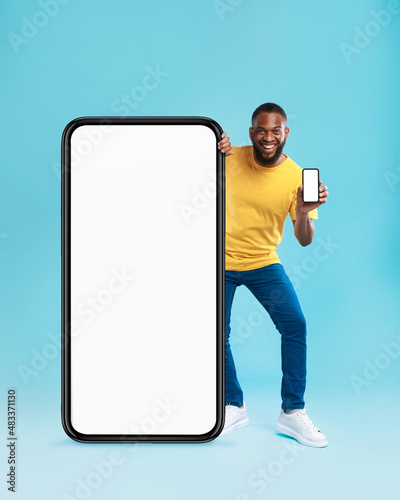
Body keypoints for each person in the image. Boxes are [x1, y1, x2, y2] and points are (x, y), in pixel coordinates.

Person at [217, 103, 329, 447]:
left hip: (263, 262)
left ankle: (292, 413)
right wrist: (206, 146)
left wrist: (303, 213)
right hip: (218, 262)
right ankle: (233, 405)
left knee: (295, 325)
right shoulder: (230, 157)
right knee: (215, 330)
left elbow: (305, 240)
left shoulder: (296, 178)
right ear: (252, 132)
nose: (268, 138)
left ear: (286, 133)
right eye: (261, 131)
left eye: (275, 131)